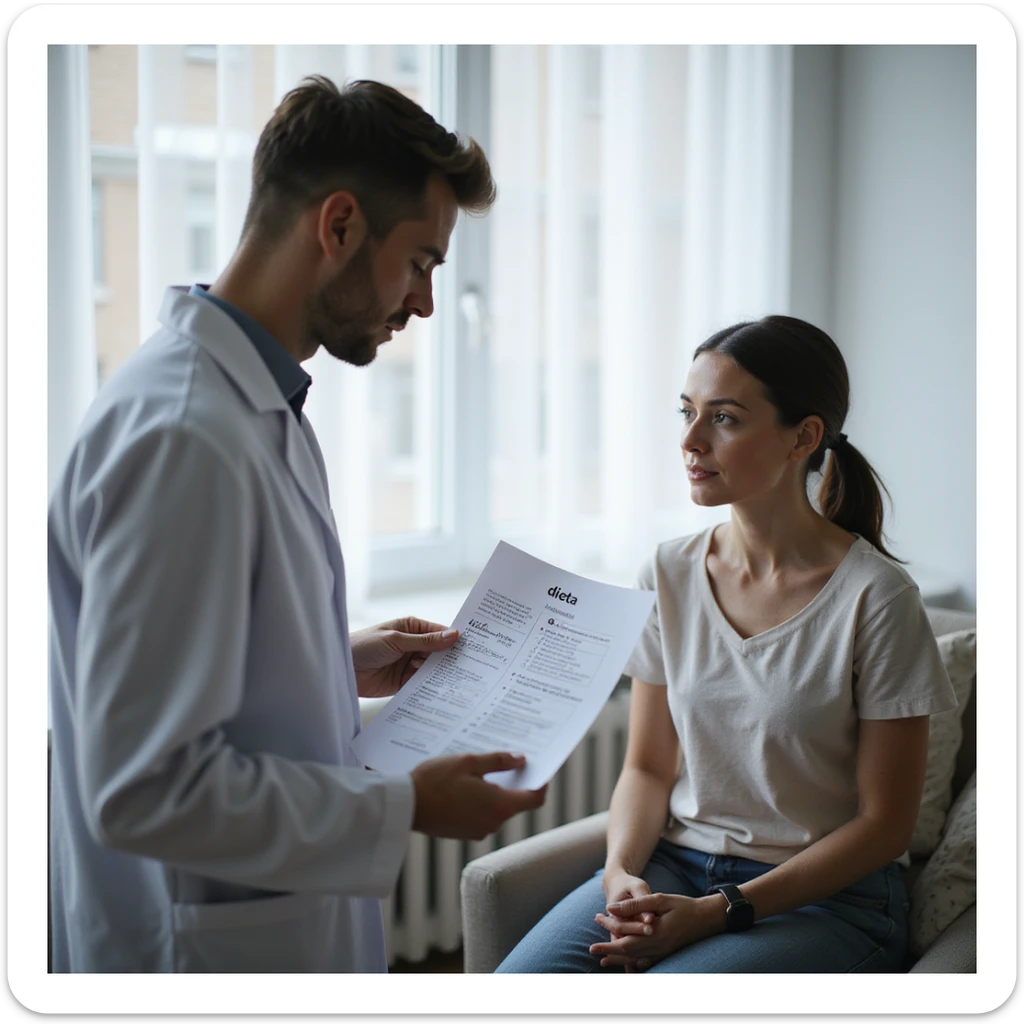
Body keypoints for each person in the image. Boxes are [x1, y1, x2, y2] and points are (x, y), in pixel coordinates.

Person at [48, 75, 546, 974]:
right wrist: (404, 806)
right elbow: (144, 789)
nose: (426, 303)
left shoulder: (257, 401)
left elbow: (195, 658)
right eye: (423, 262)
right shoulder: (184, 437)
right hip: (198, 953)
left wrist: (332, 656)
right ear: (341, 225)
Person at [495, 315, 957, 974]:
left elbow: (885, 827)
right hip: (676, 863)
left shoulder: (877, 599)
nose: (689, 439)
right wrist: (621, 872)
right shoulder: (667, 572)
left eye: (725, 419)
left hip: (827, 901)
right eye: (687, 411)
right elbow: (649, 768)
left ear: (804, 436)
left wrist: (720, 911)